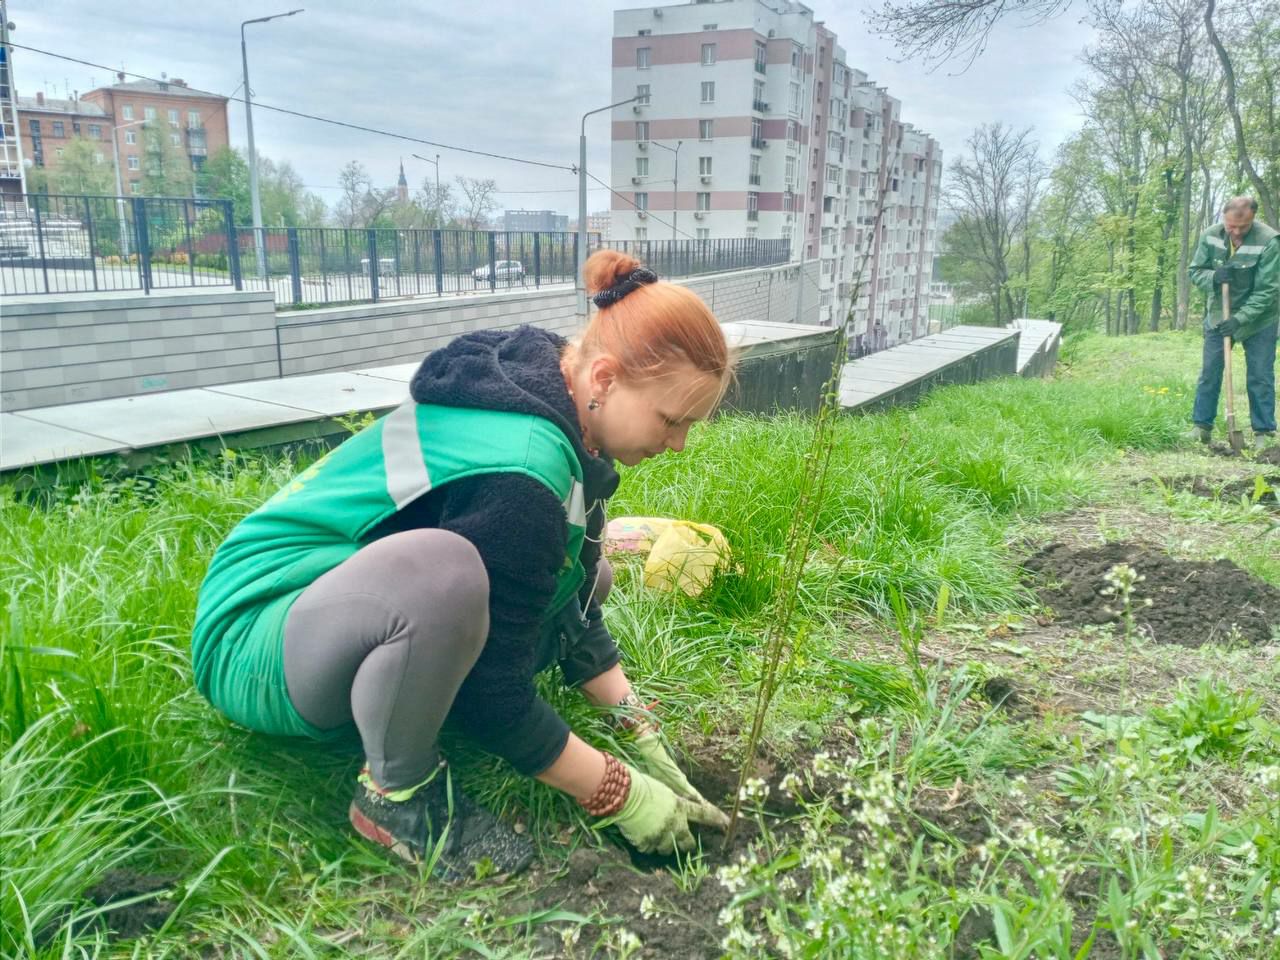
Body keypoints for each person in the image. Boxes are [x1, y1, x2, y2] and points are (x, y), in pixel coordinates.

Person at [191, 250, 734, 881]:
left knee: (590, 574)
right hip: (261, 629)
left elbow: (575, 597)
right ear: (606, 380)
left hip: (344, 609)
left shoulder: (560, 394)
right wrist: (618, 791)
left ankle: (406, 697)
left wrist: (644, 733)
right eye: (672, 420)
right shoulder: (523, 473)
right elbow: (493, 697)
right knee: (445, 575)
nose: (677, 444)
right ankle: (397, 797)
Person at [1188, 196, 1279, 449]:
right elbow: (1195, 270)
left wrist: (1240, 319)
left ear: (1253, 219)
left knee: (1260, 374)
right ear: (1224, 218)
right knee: (1210, 371)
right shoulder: (1211, 235)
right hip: (1220, 314)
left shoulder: (1269, 241)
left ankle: (1264, 431)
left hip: (1260, 318)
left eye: (1243, 227)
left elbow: (1267, 291)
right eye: (1231, 226)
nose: (1236, 232)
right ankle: (1201, 427)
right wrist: (1213, 276)